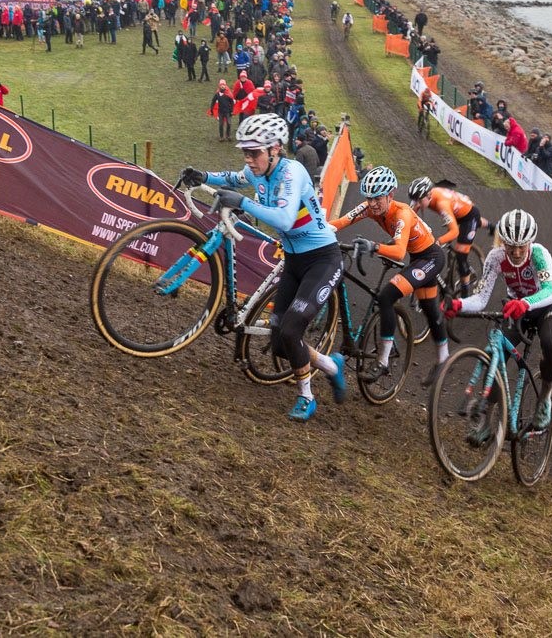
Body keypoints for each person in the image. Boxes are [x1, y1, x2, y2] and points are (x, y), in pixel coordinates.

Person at [176, 114, 346, 422]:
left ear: (275, 149)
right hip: (294, 261)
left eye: (254, 152)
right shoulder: (256, 170)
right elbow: (231, 178)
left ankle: (306, 396)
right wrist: (202, 176)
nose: (249, 159)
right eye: (245, 151)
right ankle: (333, 366)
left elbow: (283, 219)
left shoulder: (292, 173)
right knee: (280, 341)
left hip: (323, 259)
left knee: (292, 329)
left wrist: (242, 201)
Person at [444, 209, 552, 432]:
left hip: (547, 307)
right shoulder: (496, 257)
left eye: (522, 246)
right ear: (503, 242)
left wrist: (526, 302)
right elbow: (481, 298)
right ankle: (487, 423)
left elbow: (551, 291)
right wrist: (459, 304)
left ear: (530, 241)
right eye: (511, 246)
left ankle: (545, 399)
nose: (517, 252)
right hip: (517, 309)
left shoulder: (539, 254)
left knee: (549, 343)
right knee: (493, 354)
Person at [328, 166, 449, 383]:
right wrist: (315, 230)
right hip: (418, 258)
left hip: (431, 258)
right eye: (369, 198)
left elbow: (399, 252)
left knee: (386, 296)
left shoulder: (401, 213)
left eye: (378, 199)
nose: (372, 204)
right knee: (430, 310)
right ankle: (443, 357)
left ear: (390, 195)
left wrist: (373, 246)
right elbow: (340, 223)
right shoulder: (369, 207)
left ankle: (383, 362)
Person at [407, 176, 483, 297]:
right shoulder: (423, 197)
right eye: (414, 200)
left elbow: (454, 232)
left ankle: (465, 296)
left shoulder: (442, 204)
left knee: (461, 255)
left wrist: (438, 242)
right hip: (455, 210)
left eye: (419, 201)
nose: (416, 204)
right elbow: (408, 217)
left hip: (469, 216)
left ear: (429, 196)